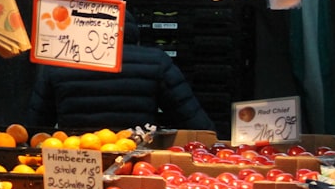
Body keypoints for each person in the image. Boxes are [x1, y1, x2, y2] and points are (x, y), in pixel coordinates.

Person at [28, 16, 215, 132]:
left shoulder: (58, 64)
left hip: (75, 160)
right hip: (136, 161)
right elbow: (197, 126)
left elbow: (34, 128)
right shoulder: (156, 61)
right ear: (133, 31)